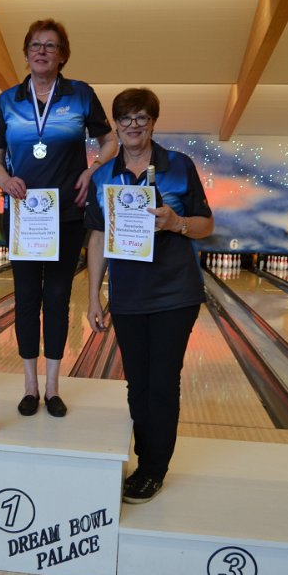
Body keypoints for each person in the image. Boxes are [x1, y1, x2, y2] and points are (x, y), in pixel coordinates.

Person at [85, 88, 214, 504]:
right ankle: (145, 459)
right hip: (127, 296)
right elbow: (97, 237)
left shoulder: (179, 166)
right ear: (116, 125)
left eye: (141, 117)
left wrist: (177, 222)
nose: (133, 125)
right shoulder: (104, 176)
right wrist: (93, 297)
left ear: (153, 122)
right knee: (137, 384)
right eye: (125, 118)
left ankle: (154, 468)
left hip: (175, 293)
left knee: (162, 382)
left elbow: (206, 225)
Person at [0, 18, 117, 418]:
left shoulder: (80, 95)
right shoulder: (7, 100)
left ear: (62, 55)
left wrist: (93, 170)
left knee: (57, 299)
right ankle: (29, 386)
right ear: (26, 54)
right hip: (24, 216)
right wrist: (5, 180)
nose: (42, 51)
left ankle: (53, 387)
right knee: (26, 299)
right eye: (35, 45)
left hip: (67, 214)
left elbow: (109, 141)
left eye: (51, 46)